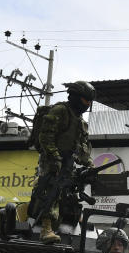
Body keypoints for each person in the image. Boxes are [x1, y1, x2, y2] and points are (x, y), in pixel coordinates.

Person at [29, 80, 95, 243]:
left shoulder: (80, 122)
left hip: (67, 161)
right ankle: (45, 229)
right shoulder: (60, 111)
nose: (87, 104)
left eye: (90, 102)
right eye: (86, 100)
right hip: (51, 159)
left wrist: (90, 164)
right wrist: (54, 157)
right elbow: (45, 136)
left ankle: (58, 225)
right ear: (75, 97)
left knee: (67, 194)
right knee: (52, 191)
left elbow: (82, 147)